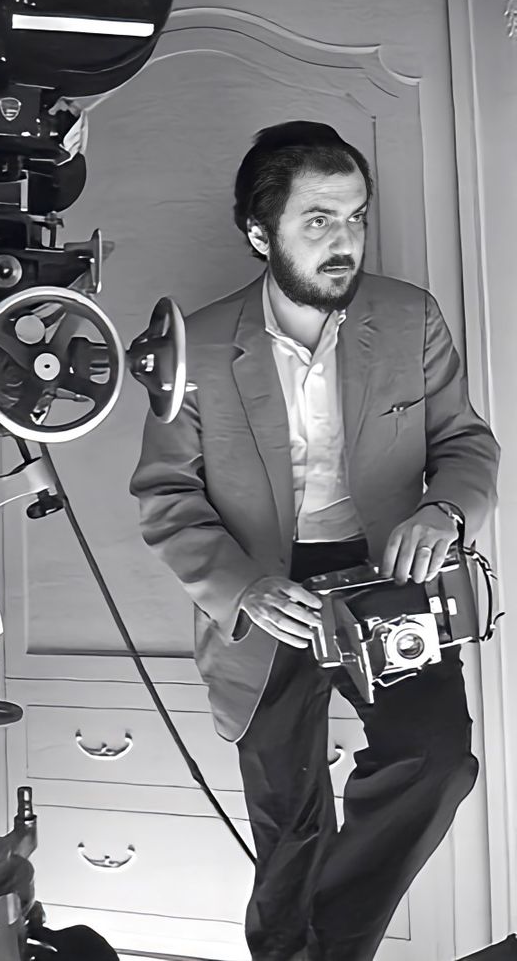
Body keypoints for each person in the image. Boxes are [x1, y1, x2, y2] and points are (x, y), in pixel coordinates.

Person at [129, 121, 500, 961]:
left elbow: (468, 445)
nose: (346, 241)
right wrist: (242, 590)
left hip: (386, 580)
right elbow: (165, 493)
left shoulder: (410, 317)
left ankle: (319, 950)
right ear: (261, 233)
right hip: (263, 599)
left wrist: (443, 513)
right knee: (288, 820)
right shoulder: (198, 343)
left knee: (436, 762)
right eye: (319, 220)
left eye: (356, 217)